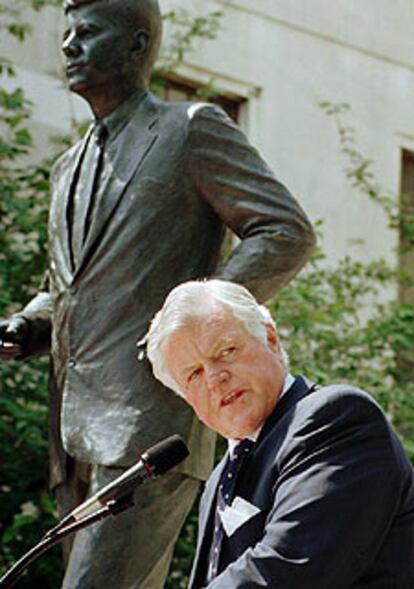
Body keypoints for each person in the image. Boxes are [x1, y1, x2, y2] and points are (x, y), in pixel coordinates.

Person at [0, 0, 316, 587]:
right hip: (70, 434)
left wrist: (192, 326)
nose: (67, 45)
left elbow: (284, 231)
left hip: (152, 425)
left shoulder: (189, 128)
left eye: (87, 33)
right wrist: (29, 324)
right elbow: (70, 290)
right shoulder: (68, 166)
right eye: (66, 32)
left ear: (138, 46)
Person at [146, 279, 414, 589]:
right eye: (194, 373)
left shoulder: (336, 419)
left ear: (271, 339)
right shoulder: (220, 477)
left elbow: (285, 570)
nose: (215, 378)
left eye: (226, 351)